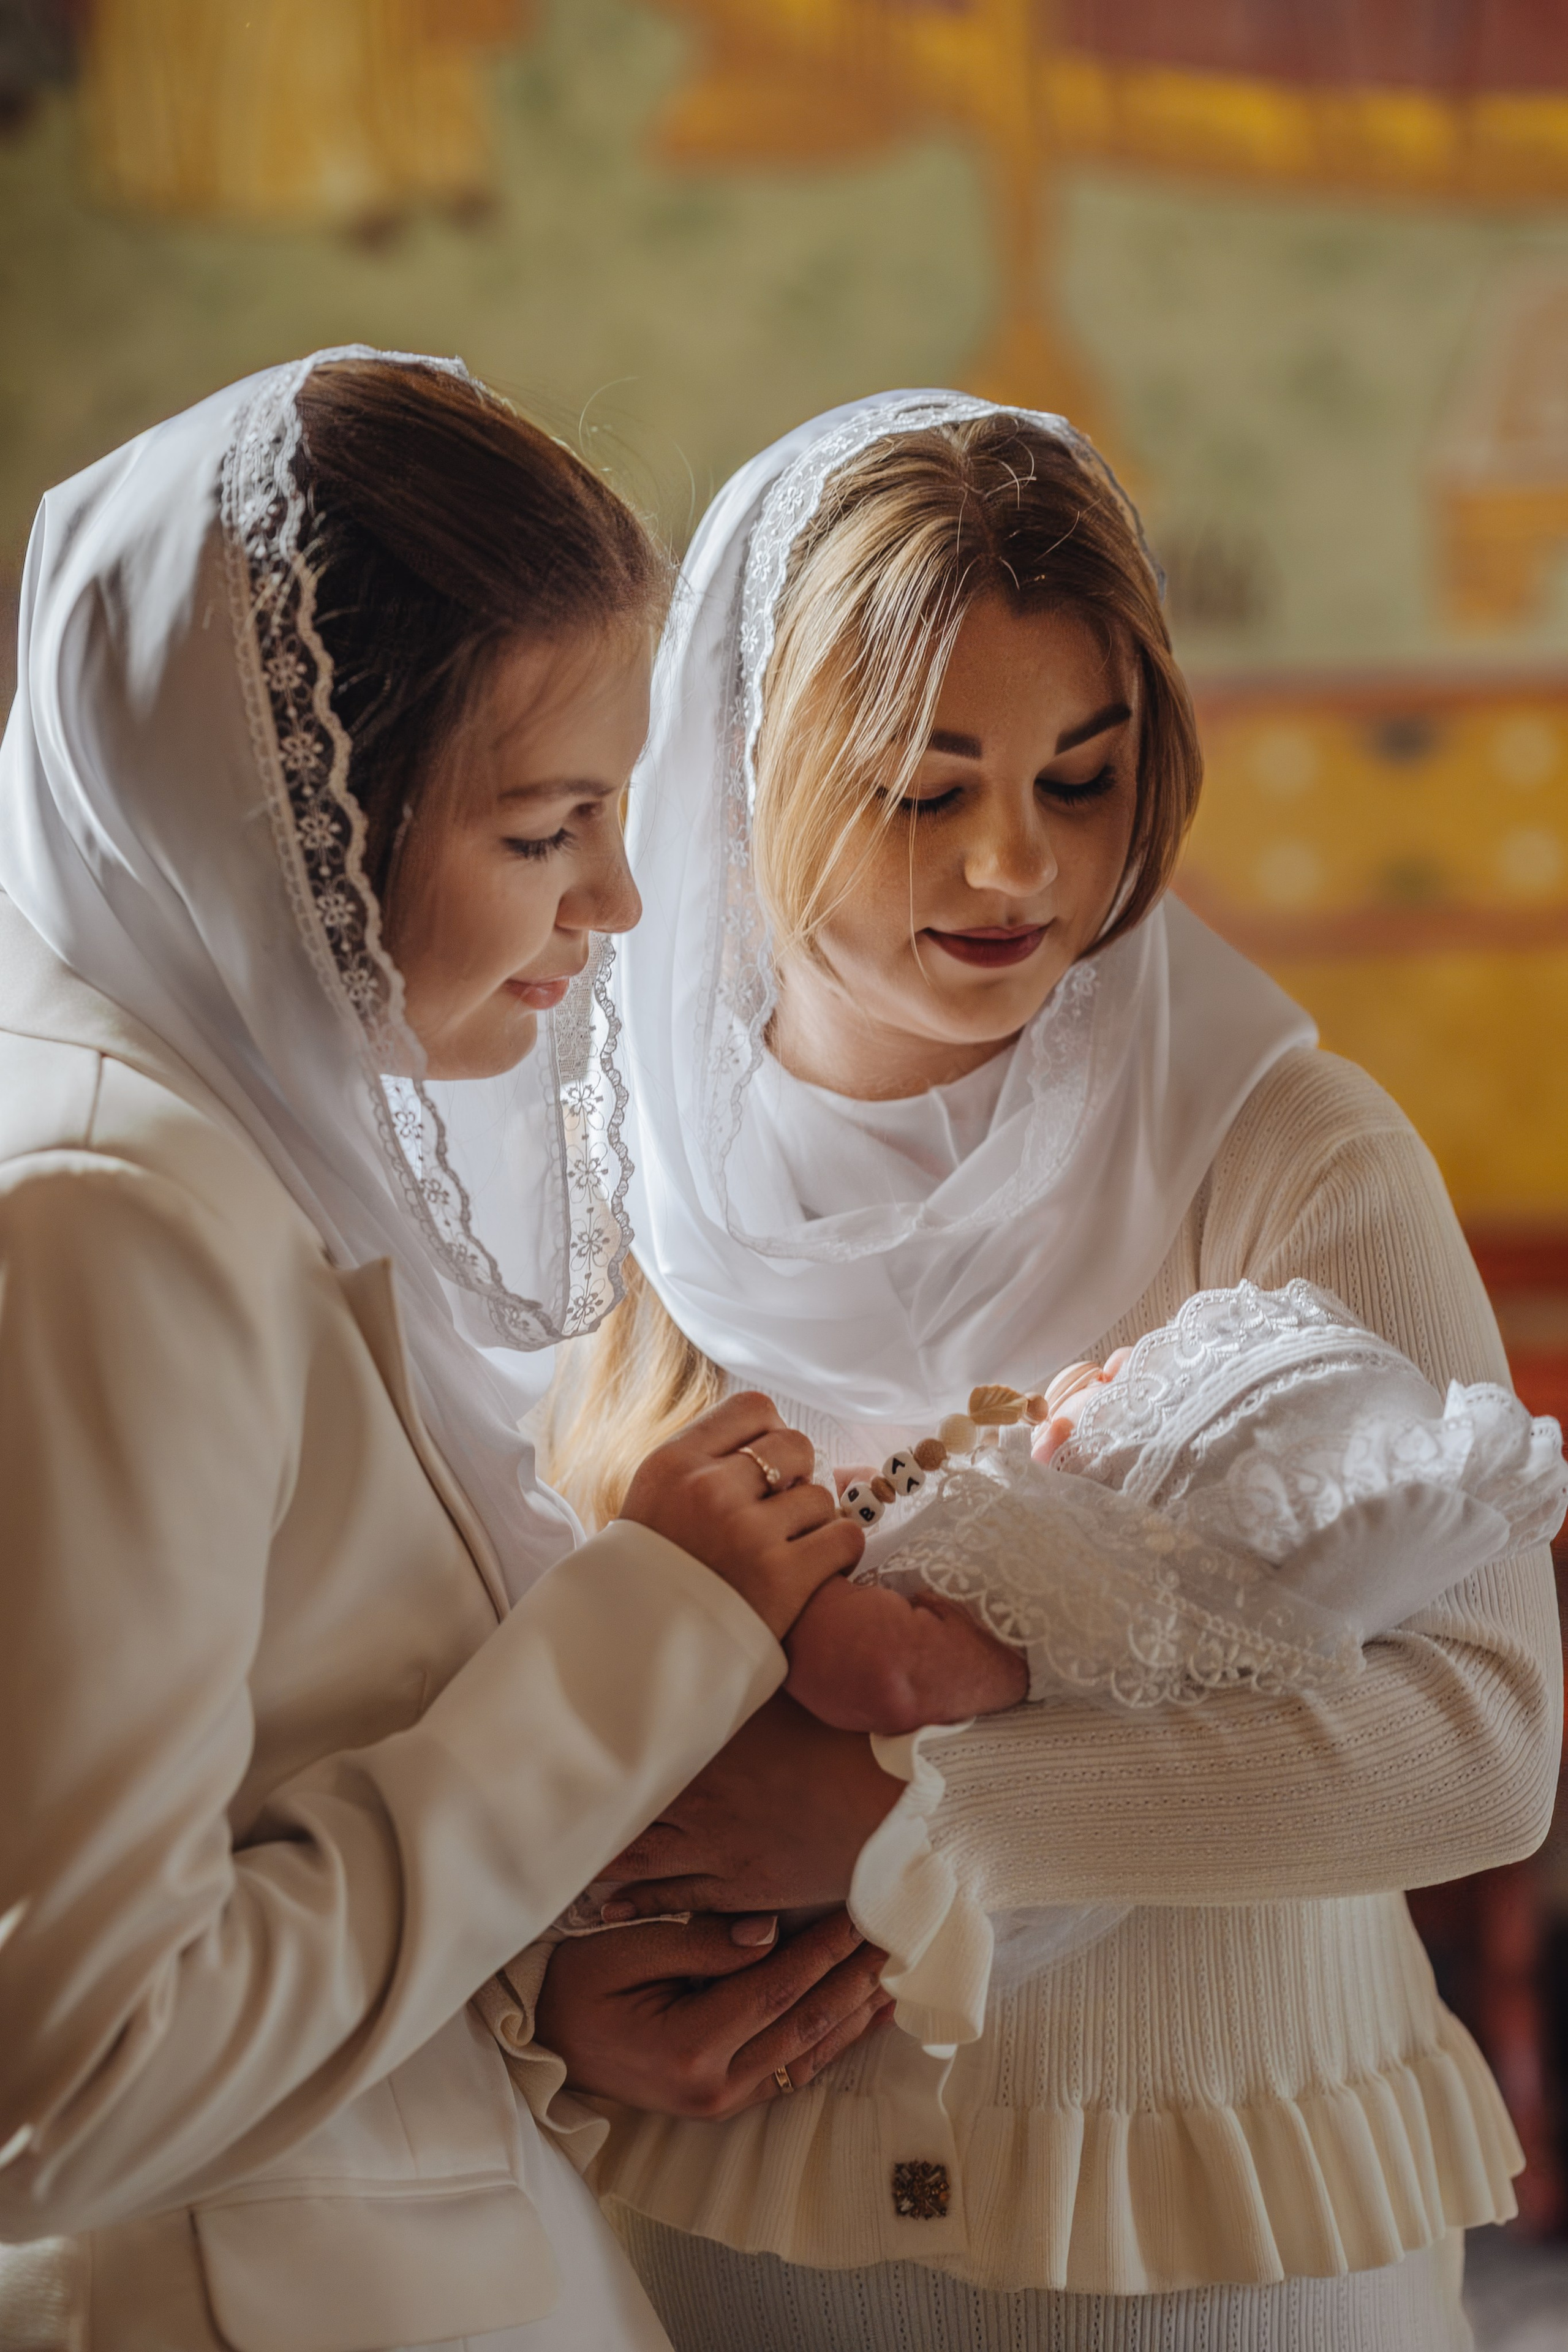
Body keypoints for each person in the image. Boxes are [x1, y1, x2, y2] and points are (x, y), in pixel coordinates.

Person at [536, 393, 1562, 2351]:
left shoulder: (1285, 1152)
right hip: (732, 2223)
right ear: (742, 778)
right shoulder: (592, 1182)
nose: (1014, 864)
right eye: (923, 789)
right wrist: (550, 1978)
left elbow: (1484, 1735)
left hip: (1212, 2223)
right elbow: (452, 1692)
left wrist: (923, 1808)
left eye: (1081, 783)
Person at [0, 350, 886, 2352]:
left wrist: (523, 1978)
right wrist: (643, 1636)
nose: (621, 900)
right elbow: (66, 2076)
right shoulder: (107, 1214)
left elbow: (270, 1799)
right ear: (284, 812)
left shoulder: (214, 1135)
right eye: (545, 827)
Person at [780, 1278, 1567, 1738]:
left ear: (1157, 1503)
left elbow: (891, 1675)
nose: (1109, 1361)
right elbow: (880, 1505)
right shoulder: (1024, 1509)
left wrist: (784, 1586)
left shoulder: (1076, 1604)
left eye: (1137, 1383)